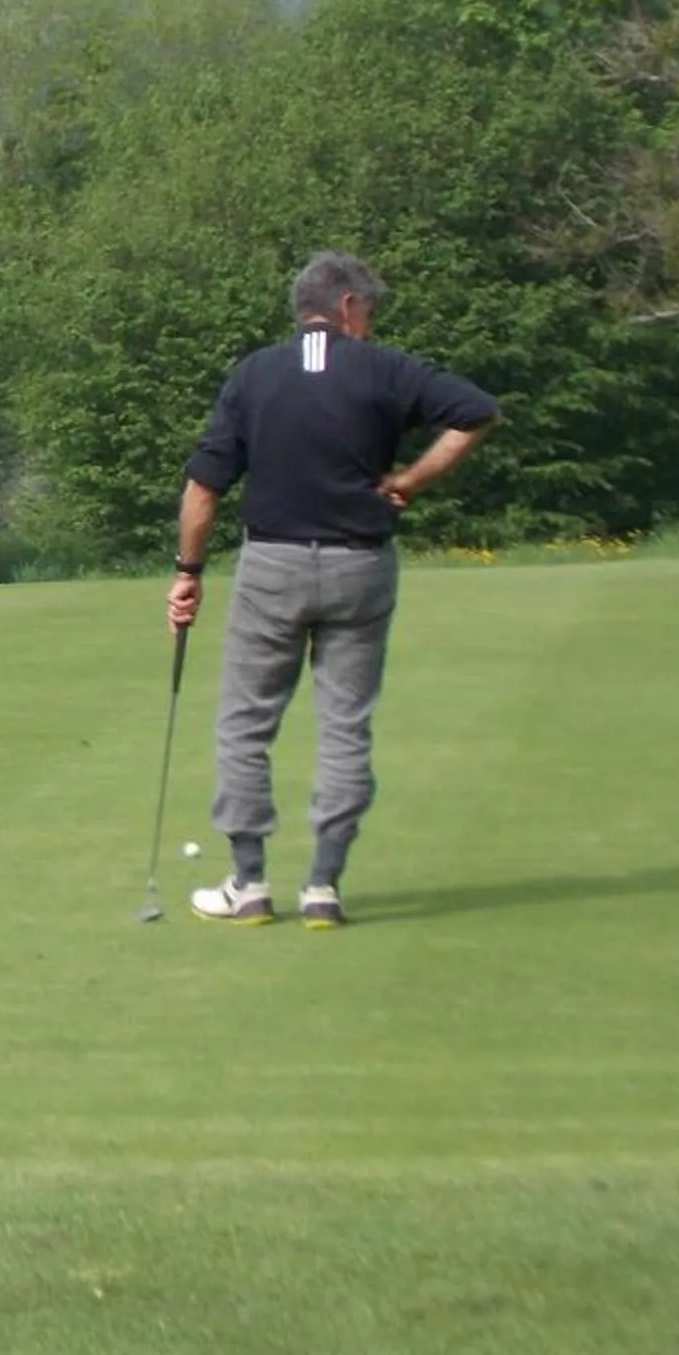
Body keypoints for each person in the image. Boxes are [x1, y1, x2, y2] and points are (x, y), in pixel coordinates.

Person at [167, 253, 497, 926]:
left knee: (245, 722)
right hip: (360, 566)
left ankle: (250, 884)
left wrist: (189, 573)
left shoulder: (254, 374)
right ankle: (324, 886)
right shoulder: (385, 369)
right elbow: (475, 413)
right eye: (369, 314)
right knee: (345, 724)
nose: (370, 327)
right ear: (347, 307)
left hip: (272, 570)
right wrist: (409, 480)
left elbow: (204, 489)